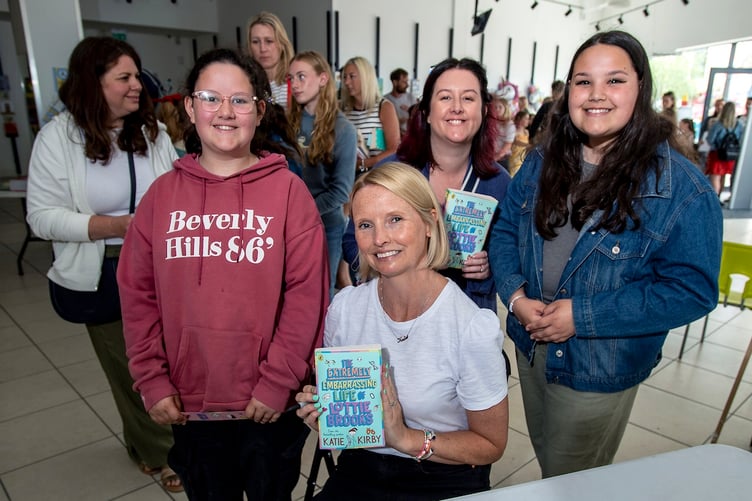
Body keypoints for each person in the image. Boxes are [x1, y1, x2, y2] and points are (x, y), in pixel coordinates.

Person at [488, 30, 722, 479]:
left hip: (599, 365)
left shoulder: (683, 190)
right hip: (532, 347)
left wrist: (584, 316)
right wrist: (516, 298)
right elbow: (503, 229)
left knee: (573, 477)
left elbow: (692, 290)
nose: (596, 95)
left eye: (614, 81)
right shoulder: (542, 160)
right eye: (582, 81)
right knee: (548, 459)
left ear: (641, 88)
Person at [117, 48, 329, 500]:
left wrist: (278, 383)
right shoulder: (161, 196)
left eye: (241, 100)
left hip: (269, 407)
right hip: (191, 408)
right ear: (191, 108)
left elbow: (308, 294)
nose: (226, 112)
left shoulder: (289, 191)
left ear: (259, 109)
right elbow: (137, 294)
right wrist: (150, 379)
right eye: (211, 98)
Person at [297, 162, 509, 500]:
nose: (380, 238)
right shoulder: (346, 309)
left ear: (428, 223)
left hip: (441, 473)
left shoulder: (469, 326)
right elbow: (349, 418)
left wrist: (405, 438)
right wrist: (326, 414)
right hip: (361, 466)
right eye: (365, 224)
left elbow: (490, 445)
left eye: (395, 219)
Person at [25, 37, 181, 492]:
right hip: (104, 269)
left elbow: (177, 186)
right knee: (131, 366)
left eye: (137, 76)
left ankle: (146, 444)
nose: (138, 86)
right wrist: (114, 226)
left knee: (167, 360)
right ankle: (160, 451)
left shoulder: (152, 131)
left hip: (158, 263)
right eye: (125, 78)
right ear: (94, 84)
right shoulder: (57, 138)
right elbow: (41, 217)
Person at [343, 57, 511, 312]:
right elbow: (351, 243)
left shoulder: (499, 184)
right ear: (427, 112)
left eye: (468, 98)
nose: (457, 107)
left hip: (465, 318)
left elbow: (512, 257)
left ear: (484, 110)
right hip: (396, 313)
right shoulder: (390, 172)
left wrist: (491, 268)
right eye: (445, 98)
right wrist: (385, 259)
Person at [288, 50, 357, 295]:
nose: (295, 84)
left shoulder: (343, 130)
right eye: (291, 78)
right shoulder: (288, 124)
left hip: (325, 226)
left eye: (301, 76)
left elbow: (341, 191)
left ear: (323, 79)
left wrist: (300, 213)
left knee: (319, 295)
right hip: (288, 227)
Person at [340, 56, 400, 174]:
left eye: (352, 77)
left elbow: (394, 148)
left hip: (378, 175)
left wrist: (366, 163)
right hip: (348, 176)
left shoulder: (384, 107)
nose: (347, 82)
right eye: (345, 77)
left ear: (365, 77)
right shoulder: (342, 109)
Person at [247, 11, 294, 109]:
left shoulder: (296, 82)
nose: (262, 49)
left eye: (269, 41)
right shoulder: (247, 84)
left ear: (282, 44)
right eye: (256, 42)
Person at [706, 101, 744, 197]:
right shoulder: (739, 125)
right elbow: (740, 139)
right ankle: (720, 196)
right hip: (731, 155)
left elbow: (710, 139)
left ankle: (715, 198)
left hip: (717, 154)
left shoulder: (718, 124)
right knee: (723, 176)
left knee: (715, 177)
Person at [383, 67, 418, 137]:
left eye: (407, 81)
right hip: (392, 137)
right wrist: (396, 121)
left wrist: (410, 111)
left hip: (409, 138)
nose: (407, 85)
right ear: (395, 82)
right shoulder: (385, 100)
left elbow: (419, 119)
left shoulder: (411, 98)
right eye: (404, 82)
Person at [493, 95, 516, 168]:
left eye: (500, 107)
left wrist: (495, 158)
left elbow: (507, 146)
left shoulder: (509, 125)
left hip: (502, 158)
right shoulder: (492, 122)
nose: (497, 109)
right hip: (491, 156)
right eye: (495, 107)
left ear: (505, 108)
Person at [508, 109, 530, 177]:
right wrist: (528, 145)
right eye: (526, 118)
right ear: (519, 119)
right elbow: (514, 141)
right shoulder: (514, 130)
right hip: (513, 157)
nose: (528, 121)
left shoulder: (526, 132)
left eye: (528, 119)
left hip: (522, 157)